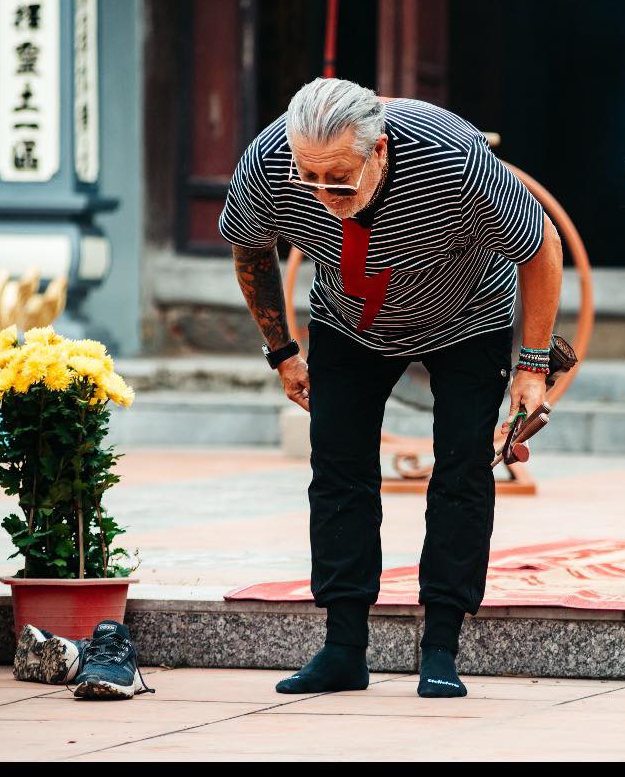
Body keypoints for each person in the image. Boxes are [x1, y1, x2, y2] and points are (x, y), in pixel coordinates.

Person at [221, 78, 563, 696]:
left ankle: (440, 649)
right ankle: (343, 647)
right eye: (308, 177)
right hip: (348, 319)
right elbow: (250, 249)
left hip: (467, 315)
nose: (322, 194)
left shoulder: (455, 158)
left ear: (378, 150)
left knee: (462, 470)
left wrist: (533, 365)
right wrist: (282, 352)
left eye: (339, 179)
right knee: (338, 469)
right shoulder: (268, 163)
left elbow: (541, 246)